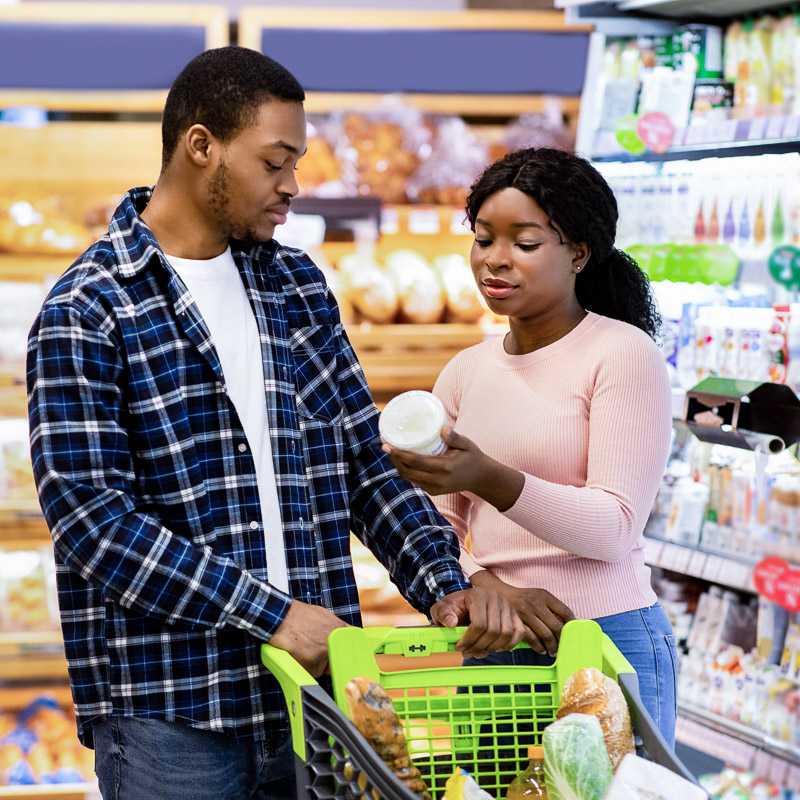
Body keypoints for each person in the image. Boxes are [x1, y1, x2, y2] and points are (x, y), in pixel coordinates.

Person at [26, 47, 528, 800]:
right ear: (201, 147)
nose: (294, 185)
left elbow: (360, 457)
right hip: (175, 716)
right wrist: (271, 617)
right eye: (275, 161)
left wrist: (440, 583)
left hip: (318, 702)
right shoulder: (88, 311)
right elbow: (96, 524)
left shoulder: (294, 283)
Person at [384, 147, 678, 745]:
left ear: (577, 252)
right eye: (484, 238)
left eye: (524, 243)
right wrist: (479, 584)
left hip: (604, 640)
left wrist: (492, 477)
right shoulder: (466, 372)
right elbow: (429, 522)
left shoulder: (622, 355)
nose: (495, 261)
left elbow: (614, 526)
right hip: (494, 643)